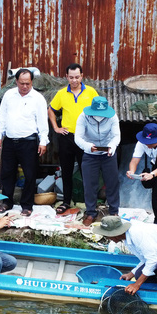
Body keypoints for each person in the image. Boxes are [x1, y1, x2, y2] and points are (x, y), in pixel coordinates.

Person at [92, 216, 157, 294]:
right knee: (139, 274)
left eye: (108, 236)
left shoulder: (138, 234)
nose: (108, 238)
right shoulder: (126, 237)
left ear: (116, 234)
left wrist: (137, 285)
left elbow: (152, 260)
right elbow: (145, 259)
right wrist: (132, 274)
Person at [0, 69, 49, 216]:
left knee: (30, 175)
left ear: (32, 82)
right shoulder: (8, 95)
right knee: (7, 173)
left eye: (28, 83)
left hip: (29, 142)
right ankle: (6, 202)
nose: (25, 86)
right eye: (22, 83)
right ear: (16, 81)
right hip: (10, 141)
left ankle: (27, 205)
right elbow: (2, 116)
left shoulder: (38, 98)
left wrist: (43, 141)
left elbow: (43, 122)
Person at [49, 63, 99, 215]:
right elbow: (51, 110)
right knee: (67, 170)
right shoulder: (62, 93)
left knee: (87, 171)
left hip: (85, 137)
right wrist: (56, 128)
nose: (74, 80)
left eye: (77, 77)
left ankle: (90, 204)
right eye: (71, 77)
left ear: (82, 76)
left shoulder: (91, 92)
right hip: (67, 137)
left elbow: (100, 112)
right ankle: (66, 201)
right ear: (66, 77)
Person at [74, 96, 121, 226]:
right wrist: (88, 146)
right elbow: (78, 137)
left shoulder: (112, 117)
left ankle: (114, 212)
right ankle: (90, 212)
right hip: (90, 154)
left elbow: (116, 136)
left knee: (112, 182)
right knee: (90, 184)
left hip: (108, 153)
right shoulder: (83, 117)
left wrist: (112, 147)